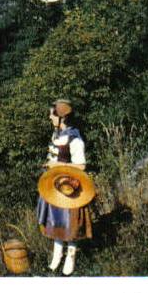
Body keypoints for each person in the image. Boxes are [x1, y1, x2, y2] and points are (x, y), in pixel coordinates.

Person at [36, 99, 93, 275]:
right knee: (57, 220)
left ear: (62, 118)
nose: (49, 117)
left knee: (70, 223)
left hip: (70, 189)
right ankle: (57, 256)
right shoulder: (58, 135)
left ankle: (71, 257)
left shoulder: (74, 139)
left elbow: (82, 166)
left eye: (52, 114)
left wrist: (56, 166)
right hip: (55, 186)